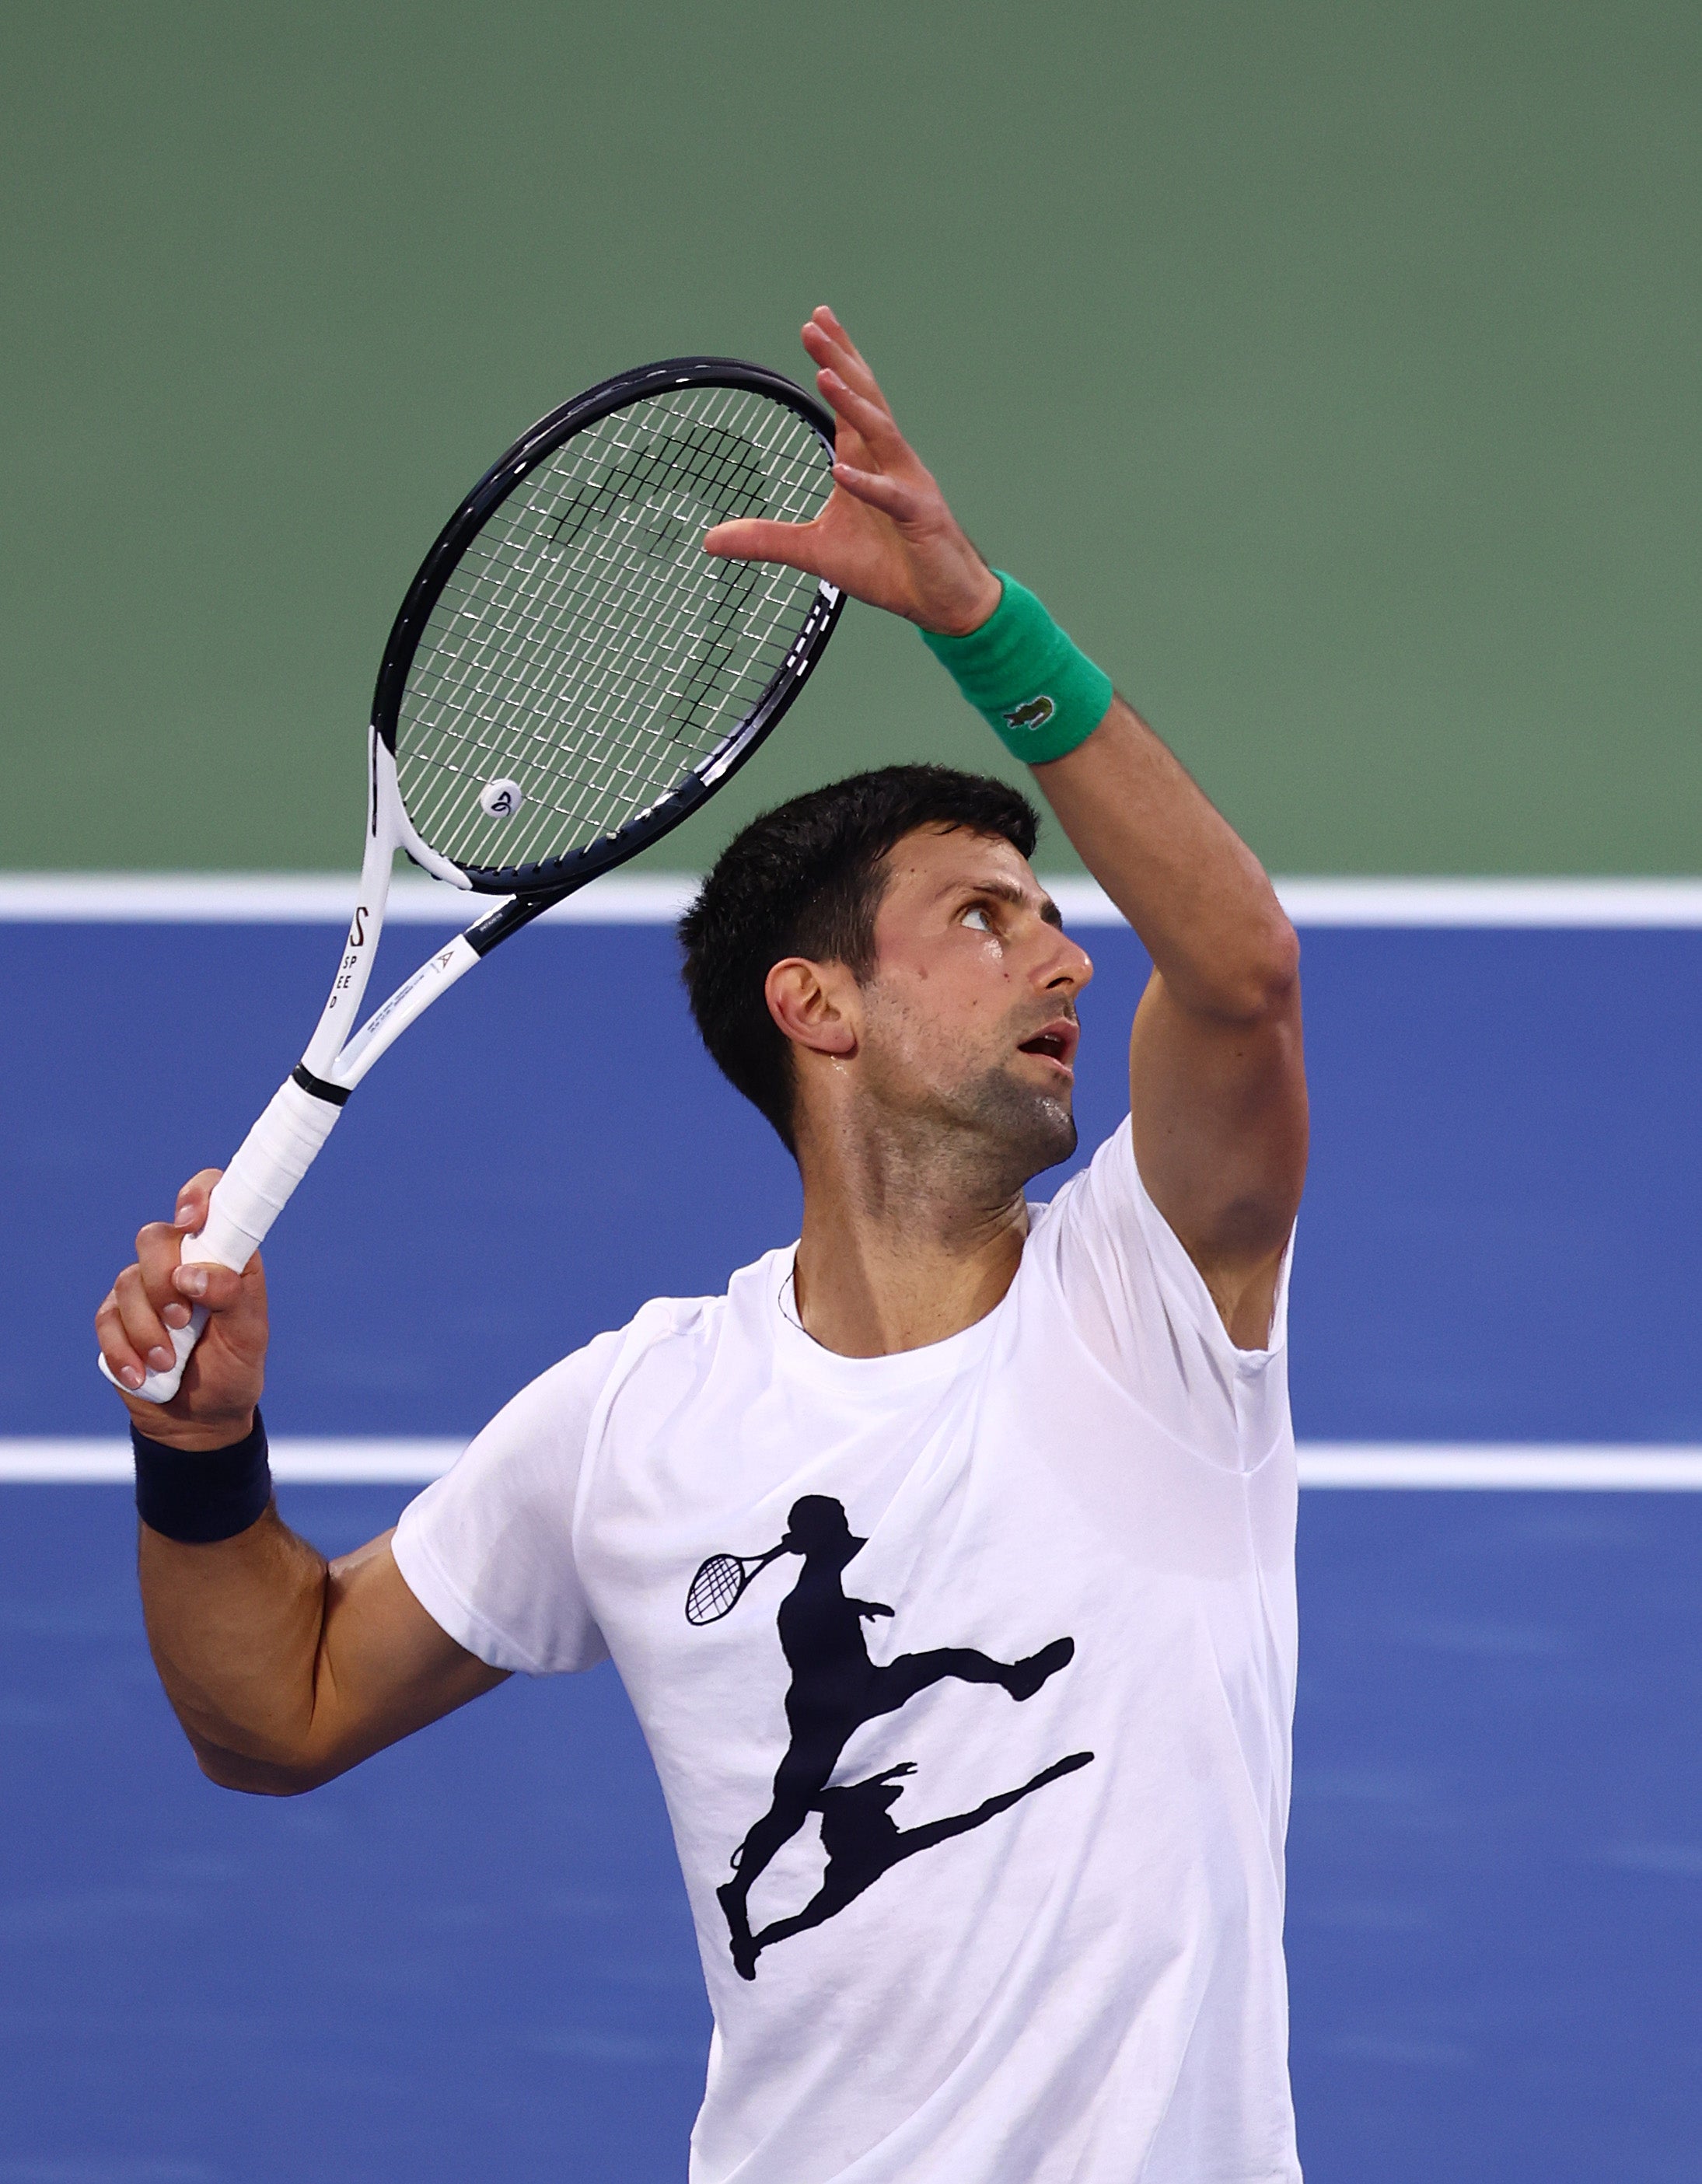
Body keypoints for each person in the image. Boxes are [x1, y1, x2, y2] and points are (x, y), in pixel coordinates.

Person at [97, 307, 1309, 2183]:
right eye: (988, 918)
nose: (1070, 957)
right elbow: (280, 1711)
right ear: (814, 1005)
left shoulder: (1157, 1297)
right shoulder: (633, 1422)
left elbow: (1239, 971)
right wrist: (196, 1457)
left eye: (1051, 917)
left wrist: (977, 615)